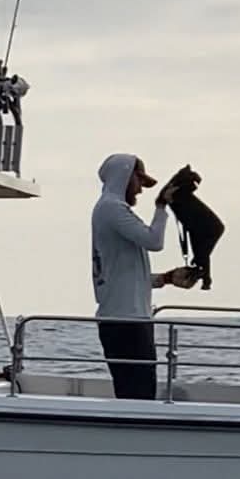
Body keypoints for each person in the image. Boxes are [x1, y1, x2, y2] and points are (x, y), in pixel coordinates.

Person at [91, 153, 187, 400]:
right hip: (127, 322)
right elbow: (154, 241)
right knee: (140, 393)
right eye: (139, 181)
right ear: (125, 176)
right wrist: (161, 206)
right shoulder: (113, 208)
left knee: (132, 392)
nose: (140, 190)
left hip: (122, 319)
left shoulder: (106, 209)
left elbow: (121, 273)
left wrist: (165, 278)